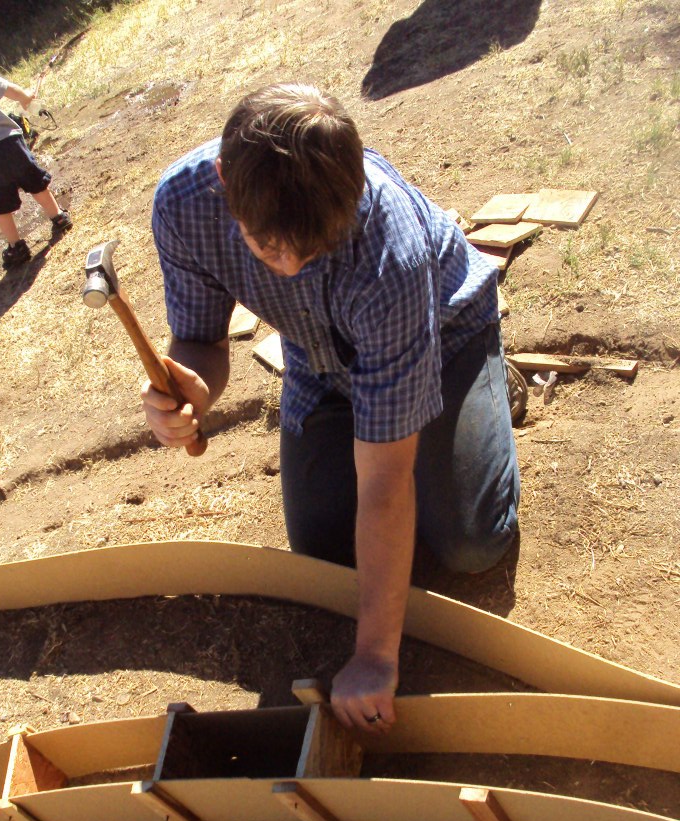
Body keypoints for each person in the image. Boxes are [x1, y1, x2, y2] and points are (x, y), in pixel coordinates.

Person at [145, 84, 520, 732]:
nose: (287, 266)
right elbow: (202, 342)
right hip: (321, 363)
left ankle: (480, 386)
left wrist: (376, 655)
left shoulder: (389, 254)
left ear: (351, 186)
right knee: (327, 561)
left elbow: (383, 481)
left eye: (309, 249)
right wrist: (193, 393)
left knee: (471, 546)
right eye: (267, 246)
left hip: (443, 334)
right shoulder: (183, 205)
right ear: (223, 180)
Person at [0, 62, 72, 268]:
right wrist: (25, 97)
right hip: (8, 140)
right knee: (34, 181)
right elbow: (7, 88)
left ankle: (16, 246)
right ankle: (58, 217)